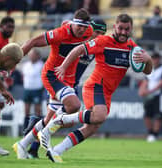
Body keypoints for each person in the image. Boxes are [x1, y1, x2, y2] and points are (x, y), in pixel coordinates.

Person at [38, 14, 153, 163]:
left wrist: (148, 60)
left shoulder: (132, 48)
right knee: (99, 116)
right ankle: (61, 119)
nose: (124, 32)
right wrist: (64, 67)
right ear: (114, 28)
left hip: (107, 93)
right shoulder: (103, 41)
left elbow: (147, 71)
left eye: (127, 29)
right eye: (121, 28)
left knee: (92, 127)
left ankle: (56, 151)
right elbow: (79, 49)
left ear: (131, 29)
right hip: (95, 86)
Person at [13, 8, 93, 160]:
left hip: (67, 79)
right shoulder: (60, 33)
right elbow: (33, 41)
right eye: (79, 26)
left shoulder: (88, 31)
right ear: (73, 24)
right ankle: (46, 133)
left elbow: (75, 25)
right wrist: (14, 61)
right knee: (74, 105)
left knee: (50, 119)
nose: (82, 30)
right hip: (52, 75)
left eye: (84, 27)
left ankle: (23, 144)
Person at [26, 18, 107, 159]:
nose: (99, 36)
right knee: (54, 119)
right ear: (90, 30)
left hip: (72, 85)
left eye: (102, 33)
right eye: (97, 32)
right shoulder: (81, 41)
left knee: (58, 121)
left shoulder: (96, 46)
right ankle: (33, 147)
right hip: (59, 81)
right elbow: (66, 24)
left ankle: (36, 127)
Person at [138, 52, 162, 142]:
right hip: (149, 96)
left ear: (159, 59)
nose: (154, 60)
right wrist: (141, 90)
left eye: (156, 58)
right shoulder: (150, 69)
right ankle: (150, 133)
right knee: (147, 115)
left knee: (158, 116)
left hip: (160, 95)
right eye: (153, 58)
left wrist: (149, 91)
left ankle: (155, 134)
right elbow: (146, 81)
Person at [0, 16, 15, 156]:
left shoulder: (6, 42)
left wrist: (6, 74)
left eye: (13, 27)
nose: (11, 30)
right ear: (1, 26)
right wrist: (3, 89)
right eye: (9, 27)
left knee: (0, 105)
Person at [22, 49, 44, 131]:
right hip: (27, 89)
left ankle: (38, 129)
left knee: (38, 110)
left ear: (37, 56)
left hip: (37, 90)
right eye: (30, 55)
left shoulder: (41, 65)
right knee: (26, 110)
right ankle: (25, 129)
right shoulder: (26, 65)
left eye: (33, 55)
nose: (31, 56)